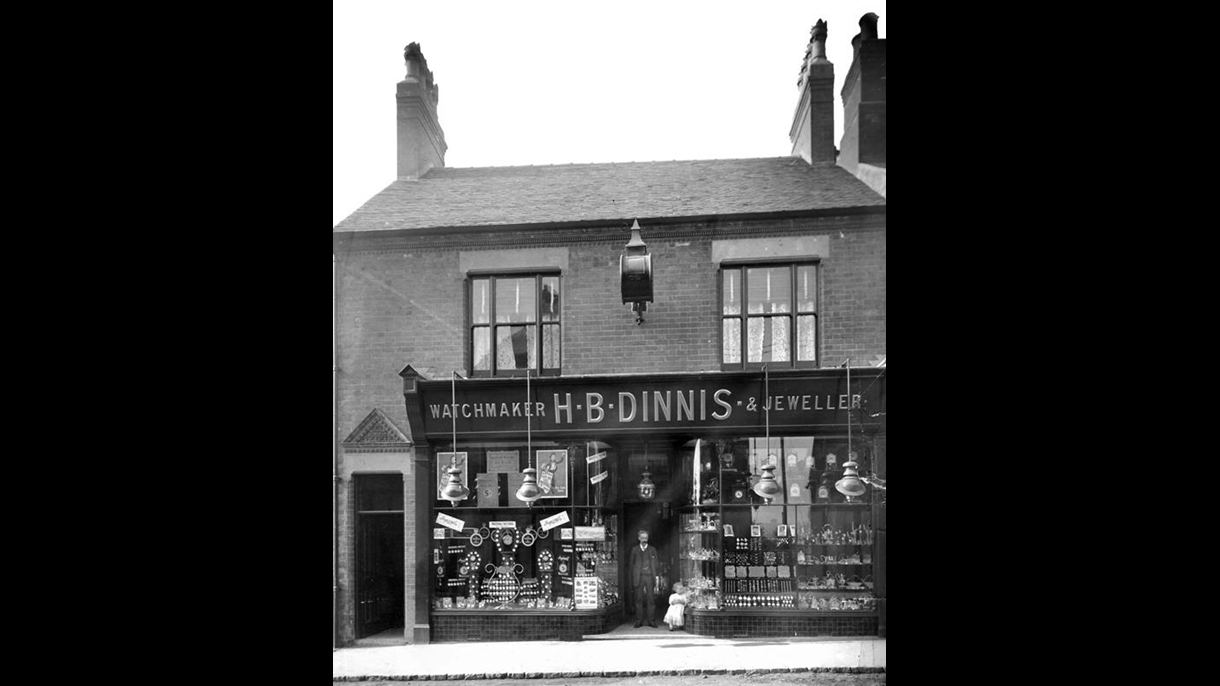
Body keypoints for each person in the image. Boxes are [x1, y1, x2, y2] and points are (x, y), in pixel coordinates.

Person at [628, 529, 660, 627]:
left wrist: (657, 577)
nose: (644, 539)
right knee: (638, 599)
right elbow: (631, 564)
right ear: (639, 538)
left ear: (648, 538)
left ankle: (651, 620)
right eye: (642, 538)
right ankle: (639, 620)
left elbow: (657, 564)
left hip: (650, 576)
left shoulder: (652, 549)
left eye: (646, 538)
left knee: (651, 599)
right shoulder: (634, 549)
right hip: (639, 577)